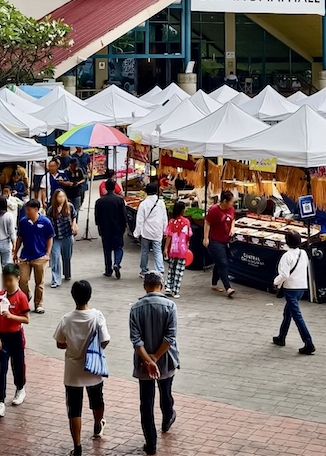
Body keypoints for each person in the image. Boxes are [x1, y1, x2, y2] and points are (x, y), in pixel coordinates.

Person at [54, 280, 111, 455]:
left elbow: (59, 343)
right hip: (93, 369)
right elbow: (105, 340)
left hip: (72, 372)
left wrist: (71, 346)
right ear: (90, 296)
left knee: (74, 409)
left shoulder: (66, 319)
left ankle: (77, 447)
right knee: (97, 400)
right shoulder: (97, 316)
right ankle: (97, 424)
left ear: (73, 296)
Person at [129, 272, 179, 455]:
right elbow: (170, 338)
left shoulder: (135, 308)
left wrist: (148, 360)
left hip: (143, 364)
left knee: (146, 402)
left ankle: (150, 443)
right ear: (161, 285)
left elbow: (136, 341)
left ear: (145, 286)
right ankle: (167, 418)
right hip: (165, 360)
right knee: (166, 392)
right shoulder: (170, 306)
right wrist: (156, 358)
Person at [0, 263, 30, 419]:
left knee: (18, 365)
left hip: (16, 337)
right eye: (4, 280)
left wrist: (11, 316)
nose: (7, 283)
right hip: (3, 338)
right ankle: (0, 402)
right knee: (2, 369)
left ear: (17, 279)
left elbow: (27, 319)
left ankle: (20, 388)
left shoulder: (21, 297)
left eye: (10, 280)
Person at [271, 232, 315, 355]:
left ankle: (308, 342)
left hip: (291, 288)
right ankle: (281, 336)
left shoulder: (287, 256)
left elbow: (284, 274)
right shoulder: (303, 253)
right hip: (301, 287)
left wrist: (276, 282)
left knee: (296, 316)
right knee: (288, 312)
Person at [13, 199, 54, 314]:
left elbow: (50, 237)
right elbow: (20, 238)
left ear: (36, 210)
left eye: (29, 209)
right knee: (22, 280)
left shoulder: (45, 222)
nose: (27, 211)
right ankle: (27, 295)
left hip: (40, 257)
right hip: (25, 256)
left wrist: (47, 253)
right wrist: (15, 252)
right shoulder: (23, 222)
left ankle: (38, 304)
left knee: (39, 282)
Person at [204, 190, 236, 298]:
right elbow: (207, 223)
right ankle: (228, 288)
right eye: (231, 201)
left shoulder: (231, 209)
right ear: (225, 201)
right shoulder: (213, 210)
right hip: (215, 241)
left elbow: (233, 219)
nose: (232, 204)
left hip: (226, 240)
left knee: (219, 262)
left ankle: (214, 284)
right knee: (223, 263)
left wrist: (232, 228)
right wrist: (206, 238)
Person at [133, 182, 167, 277]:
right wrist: (165, 230)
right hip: (157, 231)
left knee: (144, 251)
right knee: (157, 251)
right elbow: (164, 218)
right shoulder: (161, 203)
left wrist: (136, 233)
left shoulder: (143, 204)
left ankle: (144, 270)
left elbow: (139, 220)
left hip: (146, 232)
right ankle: (159, 270)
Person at [95, 179, 127, 279]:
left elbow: (97, 217)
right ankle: (117, 263)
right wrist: (125, 226)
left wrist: (99, 227)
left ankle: (108, 270)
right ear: (114, 188)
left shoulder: (99, 201)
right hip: (118, 228)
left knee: (107, 249)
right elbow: (123, 215)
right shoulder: (119, 200)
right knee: (118, 247)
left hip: (105, 228)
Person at [49, 188, 78, 288]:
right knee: (55, 258)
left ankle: (67, 273)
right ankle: (56, 280)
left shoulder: (69, 206)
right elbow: (48, 224)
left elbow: (74, 216)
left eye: (63, 196)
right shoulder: (51, 209)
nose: (61, 199)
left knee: (67, 256)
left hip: (67, 235)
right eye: (59, 197)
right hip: (56, 237)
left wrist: (74, 225)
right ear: (55, 198)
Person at [163, 202, 192, 298]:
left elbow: (168, 236)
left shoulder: (171, 221)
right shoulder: (186, 222)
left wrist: (166, 248)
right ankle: (175, 291)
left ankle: (168, 287)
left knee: (171, 268)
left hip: (173, 249)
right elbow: (188, 235)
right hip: (182, 250)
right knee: (179, 271)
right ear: (182, 210)